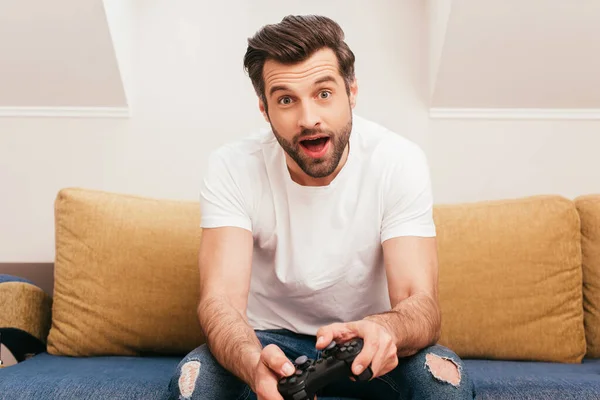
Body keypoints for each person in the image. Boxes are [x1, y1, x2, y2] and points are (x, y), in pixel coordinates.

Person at [169, 14, 475, 400]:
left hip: (369, 338)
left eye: (324, 94)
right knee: (192, 385)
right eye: (285, 100)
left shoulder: (399, 161)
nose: (309, 118)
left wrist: (387, 331)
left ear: (352, 92)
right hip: (266, 340)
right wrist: (252, 364)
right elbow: (221, 301)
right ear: (264, 110)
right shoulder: (232, 166)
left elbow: (422, 303)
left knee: (445, 383)